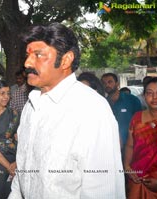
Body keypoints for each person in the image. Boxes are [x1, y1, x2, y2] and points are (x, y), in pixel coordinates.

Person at [8, 23, 125, 198]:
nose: (27, 63)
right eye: (28, 55)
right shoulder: (31, 106)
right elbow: (24, 169)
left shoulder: (91, 109)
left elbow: (102, 187)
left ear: (65, 60)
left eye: (38, 55)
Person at [124, 77, 157, 198]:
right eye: (149, 93)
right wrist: (127, 167)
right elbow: (129, 145)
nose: (154, 97)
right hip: (138, 178)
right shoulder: (136, 118)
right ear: (144, 96)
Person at [0, 80, 19, 199]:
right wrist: (8, 166)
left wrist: (17, 163)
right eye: (2, 93)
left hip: (14, 159)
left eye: (8, 93)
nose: (6, 97)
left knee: (11, 193)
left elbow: (22, 140)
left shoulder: (14, 114)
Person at [101, 73, 142, 151]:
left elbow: (139, 123)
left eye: (110, 82)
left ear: (117, 84)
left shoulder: (132, 100)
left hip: (129, 146)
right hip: (109, 147)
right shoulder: (102, 102)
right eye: (104, 83)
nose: (107, 85)